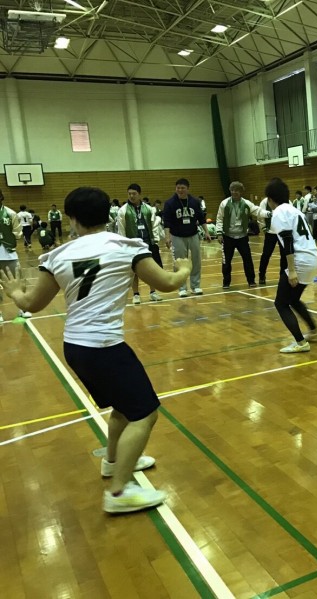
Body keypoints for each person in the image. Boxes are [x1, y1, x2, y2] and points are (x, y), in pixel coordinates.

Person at [0, 186, 191, 512]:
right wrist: (184, 267)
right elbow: (168, 283)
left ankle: (113, 462)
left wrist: (15, 292)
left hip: (75, 347)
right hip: (104, 347)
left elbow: (30, 304)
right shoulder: (126, 248)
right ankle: (119, 493)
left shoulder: (58, 256)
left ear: (72, 219)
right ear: (108, 214)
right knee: (145, 414)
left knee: (122, 408)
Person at [262, 177, 317, 353]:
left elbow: (287, 241)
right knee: (293, 299)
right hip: (312, 259)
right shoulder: (294, 211)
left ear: (270, 199)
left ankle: (301, 342)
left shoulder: (279, 212)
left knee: (281, 303)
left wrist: (292, 270)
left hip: (300, 261)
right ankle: (314, 330)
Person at [117, 183, 164, 304]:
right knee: (133, 271)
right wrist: (123, 244)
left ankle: (153, 292)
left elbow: (154, 225)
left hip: (148, 243)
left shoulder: (148, 209)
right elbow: (121, 229)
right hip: (132, 245)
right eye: (129, 194)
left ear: (139, 194)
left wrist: (155, 241)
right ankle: (136, 294)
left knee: (151, 269)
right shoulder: (123, 211)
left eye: (134, 194)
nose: (131, 196)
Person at [163, 178, 211, 297]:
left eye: (183, 188)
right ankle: (182, 287)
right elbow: (167, 222)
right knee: (180, 262)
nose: (180, 190)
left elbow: (201, 218)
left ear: (188, 189)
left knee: (196, 261)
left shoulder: (195, 202)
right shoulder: (170, 203)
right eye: (178, 188)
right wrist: (167, 237)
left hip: (193, 235)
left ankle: (196, 286)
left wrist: (206, 232)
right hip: (177, 236)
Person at [216, 181, 259, 289]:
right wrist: (219, 233)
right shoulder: (224, 204)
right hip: (228, 237)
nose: (234, 192)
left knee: (247, 259)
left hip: (242, 237)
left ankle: (251, 280)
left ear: (241, 192)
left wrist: (269, 214)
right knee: (226, 261)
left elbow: (257, 211)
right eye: (232, 190)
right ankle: (226, 282)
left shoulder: (246, 203)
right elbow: (219, 218)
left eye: (237, 190)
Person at [0, 190, 32, 323]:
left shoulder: (10, 213)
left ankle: (23, 309)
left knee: (18, 281)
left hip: (9, 253)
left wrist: (6, 237)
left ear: (1, 197)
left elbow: (18, 233)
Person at [257, 195, 279, 286]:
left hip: (282, 232)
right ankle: (262, 275)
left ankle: (284, 275)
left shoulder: (285, 200)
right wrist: (264, 228)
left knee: (285, 255)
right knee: (266, 254)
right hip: (270, 232)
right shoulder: (265, 202)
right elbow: (260, 215)